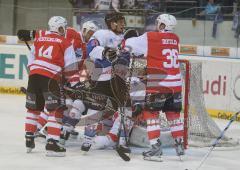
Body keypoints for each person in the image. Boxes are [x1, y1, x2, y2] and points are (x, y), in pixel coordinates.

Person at [123, 14, 184, 161]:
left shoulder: (151, 36)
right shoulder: (176, 39)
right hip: (175, 84)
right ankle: (180, 145)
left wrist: (124, 42)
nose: (157, 26)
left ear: (162, 25)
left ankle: (155, 148)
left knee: (151, 115)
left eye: (159, 23)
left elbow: (129, 44)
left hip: (158, 84)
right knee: (173, 115)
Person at [23, 16, 77, 157]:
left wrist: (36, 73)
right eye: (63, 27)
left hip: (34, 75)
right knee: (56, 110)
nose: (64, 30)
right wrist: (73, 82)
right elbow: (71, 67)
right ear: (60, 28)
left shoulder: (39, 39)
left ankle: (29, 138)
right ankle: (52, 144)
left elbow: (30, 60)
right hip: (51, 78)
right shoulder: (65, 42)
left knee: (33, 108)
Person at [81, 12, 132, 152]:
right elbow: (90, 49)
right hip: (102, 77)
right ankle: (87, 140)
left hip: (119, 80)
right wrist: (105, 52)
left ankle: (122, 141)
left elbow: (129, 56)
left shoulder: (125, 37)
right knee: (95, 109)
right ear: (111, 23)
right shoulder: (102, 34)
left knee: (126, 109)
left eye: (123, 21)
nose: (123, 24)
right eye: (120, 21)